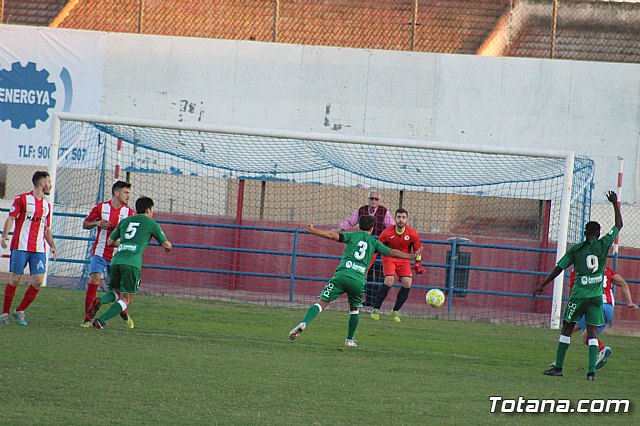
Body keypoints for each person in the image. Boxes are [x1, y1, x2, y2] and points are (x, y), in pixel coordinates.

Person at [289, 215, 420, 346]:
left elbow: (331, 235)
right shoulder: (374, 242)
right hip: (358, 280)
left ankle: (304, 322)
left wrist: (313, 231)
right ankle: (349, 340)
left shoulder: (351, 235)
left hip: (342, 275)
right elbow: (391, 252)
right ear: (372, 228)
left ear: (359, 226)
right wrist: (411, 256)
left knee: (321, 303)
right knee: (354, 309)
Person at [533, 191, 622, 380]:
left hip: (579, 295)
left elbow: (559, 268)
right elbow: (619, 225)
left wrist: (543, 284)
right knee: (591, 332)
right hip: (596, 298)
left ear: (584, 233)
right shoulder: (604, 244)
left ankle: (558, 367)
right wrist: (614, 203)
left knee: (567, 329)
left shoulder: (576, 249)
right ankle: (591, 372)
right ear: (598, 234)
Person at [87, 196, 172, 329]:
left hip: (116, 261)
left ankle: (100, 300)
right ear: (149, 210)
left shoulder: (125, 221)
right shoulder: (152, 224)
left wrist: (126, 244)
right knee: (127, 299)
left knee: (117, 293)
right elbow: (167, 245)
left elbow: (109, 242)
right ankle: (100, 320)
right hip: (132, 263)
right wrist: (168, 247)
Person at [0, 171, 58, 326]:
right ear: (42, 183)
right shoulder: (22, 199)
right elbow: (11, 218)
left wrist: (52, 246)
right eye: (49, 182)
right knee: (15, 278)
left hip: (39, 248)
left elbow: (46, 229)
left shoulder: (47, 206)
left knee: (38, 281)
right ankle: (4, 313)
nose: (51, 185)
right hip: (21, 245)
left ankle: (19, 310)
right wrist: (4, 236)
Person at [81, 180, 134, 328]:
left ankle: (123, 312)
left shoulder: (129, 213)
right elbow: (85, 224)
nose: (128, 196)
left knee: (118, 293)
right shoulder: (101, 207)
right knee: (94, 278)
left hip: (118, 257)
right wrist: (97, 223)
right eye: (126, 192)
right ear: (116, 193)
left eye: (129, 193)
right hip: (100, 251)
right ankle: (87, 318)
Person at [562, 267, 638, 369]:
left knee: (572, 332)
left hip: (594, 306)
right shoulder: (607, 270)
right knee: (583, 334)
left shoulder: (580, 270)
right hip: (609, 309)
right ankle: (599, 352)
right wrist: (629, 302)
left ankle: (559, 361)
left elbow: (573, 291)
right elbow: (623, 283)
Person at [339, 190, 395, 306]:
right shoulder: (361, 210)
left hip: (377, 246)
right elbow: (350, 222)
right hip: (364, 247)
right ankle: (368, 299)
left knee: (379, 273)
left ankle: (376, 300)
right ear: (368, 199)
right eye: (372, 198)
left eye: (376, 199)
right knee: (365, 272)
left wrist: (390, 239)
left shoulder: (383, 212)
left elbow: (391, 226)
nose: (374, 201)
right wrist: (339, 229)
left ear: (379, 201)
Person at [371, 208, 425, 323]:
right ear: (395, 218)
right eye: (399, 217)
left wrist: (418, 264)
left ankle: (395, 311)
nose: (401, 220)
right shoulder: (387, 232)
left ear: (407, 219)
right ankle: (376, 309)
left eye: (403, 217)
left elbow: (418, 250)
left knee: (407, 283)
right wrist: (369, 263)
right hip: (389, 257)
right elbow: (376, 248)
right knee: (389, 280)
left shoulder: (412, 233)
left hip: (404, 260)